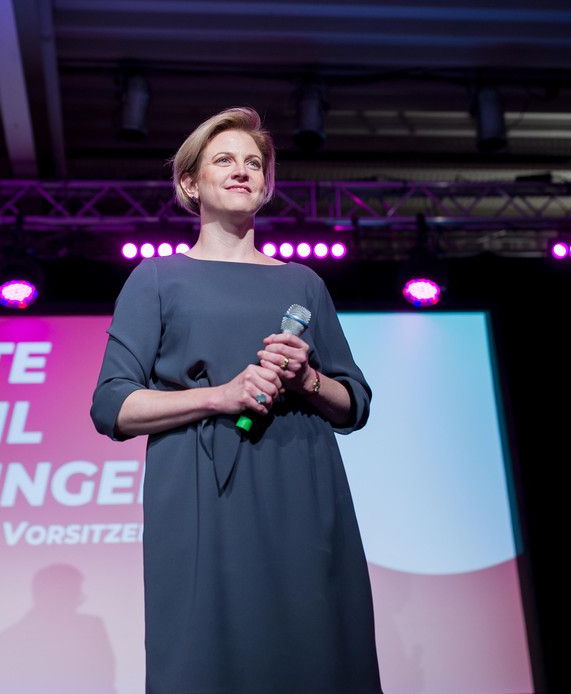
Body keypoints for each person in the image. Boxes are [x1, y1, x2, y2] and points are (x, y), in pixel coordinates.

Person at [91, 107, 381, 693]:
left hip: (300, 479)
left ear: (266, 186)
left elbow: (354, 403)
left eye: (254, 163)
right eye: (224, 160)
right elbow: (112, 406)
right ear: (190, 184)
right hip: (201, 489)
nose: (242, 171)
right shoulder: (157, 279)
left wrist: (307, 379)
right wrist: (218, 396)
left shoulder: (303, 283)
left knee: (314, 646)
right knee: (208, 653)